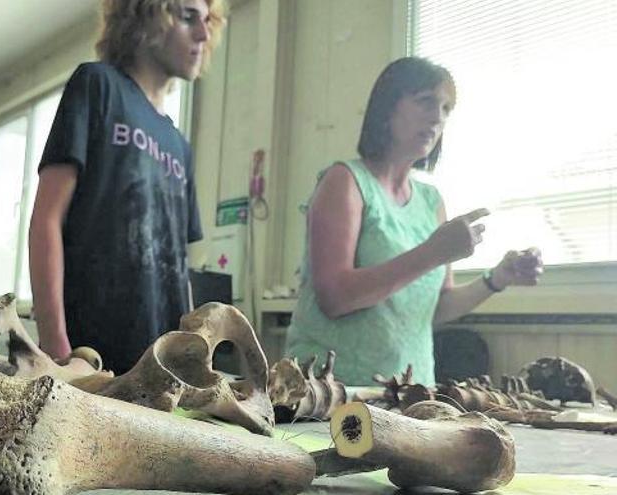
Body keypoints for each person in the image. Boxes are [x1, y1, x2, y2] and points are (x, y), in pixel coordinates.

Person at [285, 57, 543, 386]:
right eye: (426, 102)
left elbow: (436, 308)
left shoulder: (431, 201)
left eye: (446, 108)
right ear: (388, 107)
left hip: (408, 394)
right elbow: (334, 298)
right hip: (329, 392)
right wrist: (433, 253)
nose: (437, 117)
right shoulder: (345, 181)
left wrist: (497, 278)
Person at [29, 0, 227, 375]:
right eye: (187, 18)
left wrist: (192, 362)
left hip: (158, 370)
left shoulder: (179, 145)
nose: (203, 34)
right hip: (88, 361)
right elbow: (46, 221)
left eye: (206, 21)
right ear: (146, 16)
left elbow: (179, 266)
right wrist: (57, 348)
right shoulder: (96, 86)